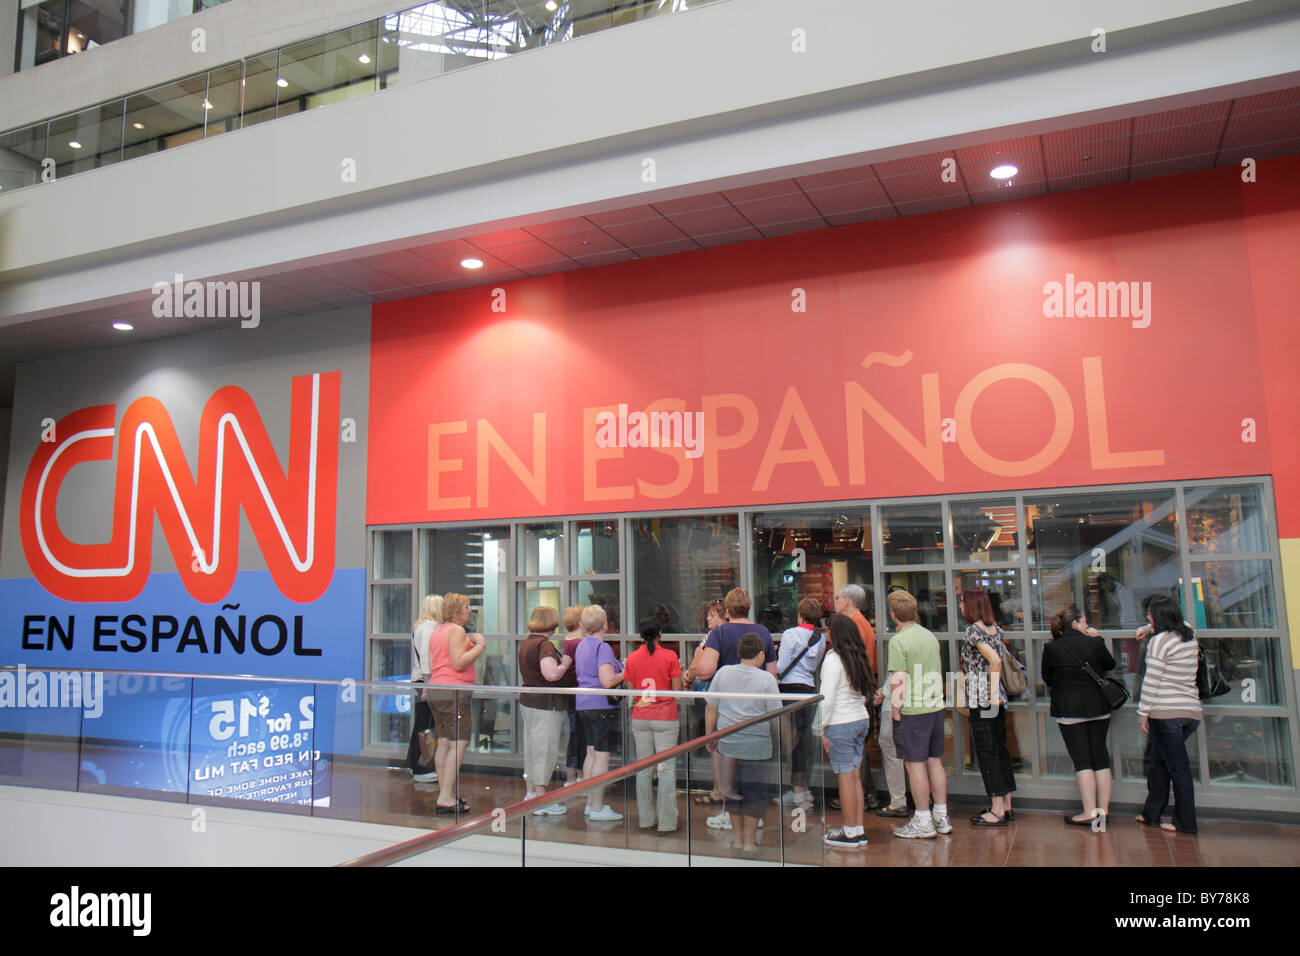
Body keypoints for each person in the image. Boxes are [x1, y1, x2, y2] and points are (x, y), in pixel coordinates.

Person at [705, 633, 781, 853]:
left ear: (739, 653)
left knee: (732, 792)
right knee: (754, 794)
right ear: (760, 655)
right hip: (757, 746)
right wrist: (780, 741)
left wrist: (711, 736)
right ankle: (749, 842)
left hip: (728, 745)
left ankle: (737, 840)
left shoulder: (723, 673)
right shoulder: (766, 679)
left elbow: (712, 707)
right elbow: (774, 714)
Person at [1041, 605, 1115, 828]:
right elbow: (1110, 665)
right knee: (1100, 758)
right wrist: (1098, 638)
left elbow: (1048, 679)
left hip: (1069, 710)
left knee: (1082, 761)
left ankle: (1088, 812)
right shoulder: (1095, 643)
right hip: (1099, 708)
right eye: (1084, 621)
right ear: (1075, 623)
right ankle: (1103, 813)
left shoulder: (1052, 647)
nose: (1087, 625)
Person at [886, 590, 950, 839]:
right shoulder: (929, 636)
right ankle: (941, 815)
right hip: (935, 705)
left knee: (914, 765)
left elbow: (898, 678)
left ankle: (923, 819)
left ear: (893, 614)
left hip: (913, 709)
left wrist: (894, 708)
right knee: (935, 761)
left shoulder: (898, 641)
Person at [1137, 595, 1202, 834]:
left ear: (1159, 617)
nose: (1147, 617)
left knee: (1178, 768)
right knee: (1158, 761)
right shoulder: (1189, 635)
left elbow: (1151, 681)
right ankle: (1151, 813)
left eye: (1150, 614)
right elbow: (1180, 621)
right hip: (1190, 713)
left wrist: (1143, 714)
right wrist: (1147, 628)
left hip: (1165, 714)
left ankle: (1185, 823)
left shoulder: (1160, 642)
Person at [959, 586, 1016, 826]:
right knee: (1000, 750)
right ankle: (1006, 804)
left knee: (987, 752)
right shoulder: (995, 630)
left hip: (983, 700)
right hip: (998, 700)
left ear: (970, 605)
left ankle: (996, 810)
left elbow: (995, 661)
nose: (961, 606)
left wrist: (990, 692)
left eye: (962, 602)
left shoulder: (973, 631)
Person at [817, 614, 875, 849]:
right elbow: (864, 694)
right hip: (860, 719)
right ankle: (857, 828)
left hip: (839, 723)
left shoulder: (833, 658)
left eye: (829, 630)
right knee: (854, 777)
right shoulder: (857, 656)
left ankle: (850, 832)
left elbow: (826, 698)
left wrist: (819, 727)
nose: (827, 633)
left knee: (844, 778)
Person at [427, 592, 486, 814]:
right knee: (458, 743)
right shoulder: (457, 631)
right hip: (454, 692)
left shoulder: (438, 631)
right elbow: (458, 662)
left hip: (437, 690)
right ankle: (445, 797)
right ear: (455, 610)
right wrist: (479, 646)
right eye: (465, 607)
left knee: (443, 742)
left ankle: (447, 792)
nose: (468, 611)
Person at [623, 617, 683, 833]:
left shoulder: (631, 658)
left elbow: (633, 691)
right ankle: (667, 822)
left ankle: (646, 819)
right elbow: (676, 692)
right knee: (666, 770)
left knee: (643, 769)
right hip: (665, 716)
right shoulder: (670, 656)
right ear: (660, 634)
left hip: (640, 716)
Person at [833, 583, 886, 812]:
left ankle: (863, 794)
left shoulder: (852, 625)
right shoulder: (864, 622)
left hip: (854, 689)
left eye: (837, 598)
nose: (835, 602)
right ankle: (868, 793)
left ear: (845, 601)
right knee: (859, 745)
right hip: (864, 685)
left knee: (854, 748)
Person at [517, 605, 573, 816]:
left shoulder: (526, 643)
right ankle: (541, 798)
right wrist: (565, 664)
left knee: (531, 748)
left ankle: (531, 792)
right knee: (545, 749)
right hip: (546, 704)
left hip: (528, 701)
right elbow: (551, 674)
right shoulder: (545, 645)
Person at [574, 604, 625, 822]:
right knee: (602, 755)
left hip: (583, 704)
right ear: (604, 625)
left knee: (590, 752)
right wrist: (625, 672)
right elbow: (607, 681)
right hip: (601, 705)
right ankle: (597, 806)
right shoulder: (602, 648)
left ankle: (589, 803)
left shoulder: (581, 646)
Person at [775, 598, 826, 808]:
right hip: (808, 689)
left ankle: (796, 793)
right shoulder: (820, 638)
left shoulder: (790, 634)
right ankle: (803, 789)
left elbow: (781, 666)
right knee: (802, 741)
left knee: (792, 742)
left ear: (799, 614)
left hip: (789, 689)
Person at [684, 599, 727, 806]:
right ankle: (721, 788)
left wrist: (689, 675)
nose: (708, 618)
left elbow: (698, 664)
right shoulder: (727, 636)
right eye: (708, 615)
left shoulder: (712, 636)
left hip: (709, 691)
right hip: (721, 693)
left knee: (714, 744)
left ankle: (720, 789)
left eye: (713, 615)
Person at [407, 594, 443, 784]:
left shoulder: (420, 627)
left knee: (422, 725)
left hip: (422, 681)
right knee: (426, 726)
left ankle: (417, 765)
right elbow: (426, 660)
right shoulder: (429, 627)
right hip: (426, 681)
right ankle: (422, 767)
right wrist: (429, 686)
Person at [561, 605, 586, 785]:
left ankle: (573, 775)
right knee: (580, 735)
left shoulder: (567, 641)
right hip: (578, 693)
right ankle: (578, 775)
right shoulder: (578, 643)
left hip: (570, 694)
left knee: (573, 735)